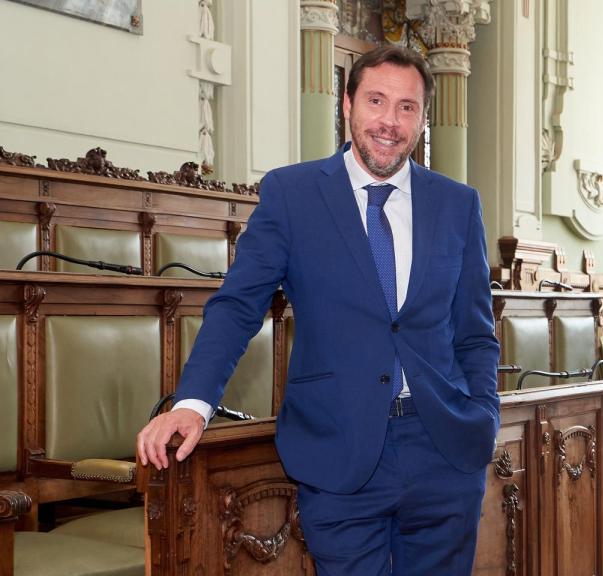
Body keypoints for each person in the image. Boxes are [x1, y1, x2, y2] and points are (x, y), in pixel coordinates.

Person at [136, 44, 500, 576]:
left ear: (423, 120)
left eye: (407, 107)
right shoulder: (292, 193)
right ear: (347, 105)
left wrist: (483, 414)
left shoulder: (458, 204)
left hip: (444, 451)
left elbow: (475, 332)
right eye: (376, 101)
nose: (390, 122)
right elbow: (238, 306)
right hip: (339, 455)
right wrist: (194, 403)